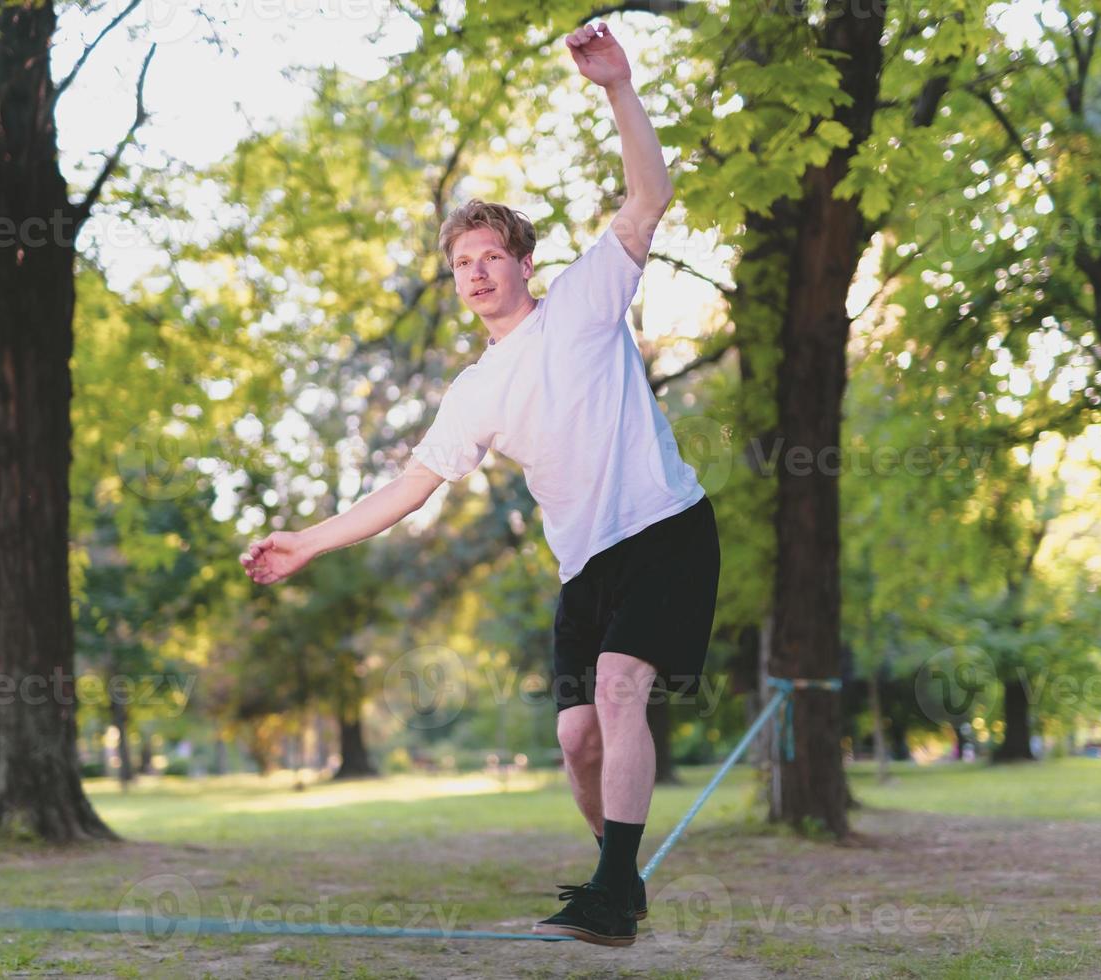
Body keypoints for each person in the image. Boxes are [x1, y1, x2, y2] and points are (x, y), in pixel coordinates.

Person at [240, 20, 721, 948]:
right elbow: (409, 490)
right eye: (461, 264)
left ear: (522, 261)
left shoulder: (583, 298)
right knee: (576, 742)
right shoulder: (473, 392)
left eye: (490, 254)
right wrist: (307, 540)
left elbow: (649, 196)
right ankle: (613, 873)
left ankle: (615, 893)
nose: (475, 272)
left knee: (622, 689)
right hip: (585, 567)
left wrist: (619, 87)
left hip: (666, 527)